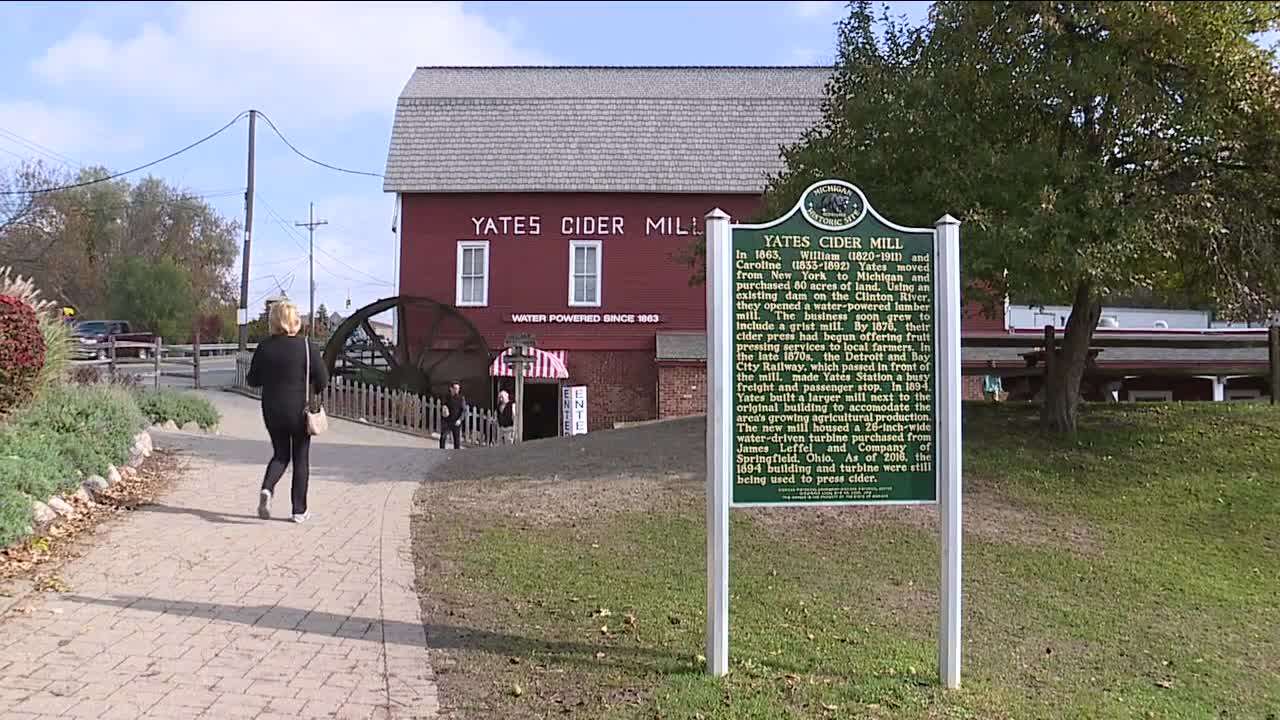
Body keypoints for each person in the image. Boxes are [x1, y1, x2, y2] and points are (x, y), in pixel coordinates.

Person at [246, 300, 328, 523]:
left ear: (273, 322)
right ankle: (299, 511)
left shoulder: (265, 347)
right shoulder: (307, 347)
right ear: (296, 322)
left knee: (281, 454)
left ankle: (267, 489)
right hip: (299, 411)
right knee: (300, 458)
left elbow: (252, 380)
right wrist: (313, 389)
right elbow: (323, 379)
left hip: (272, 410)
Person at [440, 381, 466, 449]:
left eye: (458, 388)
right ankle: (441, 451)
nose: (456, 390)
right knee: (443, 437)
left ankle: (456, 454)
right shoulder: (447, 397)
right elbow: (443, 405)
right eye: (455, 388)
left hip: (456, 421)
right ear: (451, 389)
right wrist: (444, 408)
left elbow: (463, 411)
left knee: (456, 441)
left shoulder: (461, 398)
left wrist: (460, 420)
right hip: (447, 421)